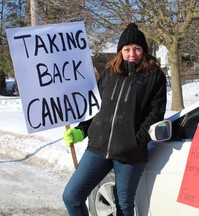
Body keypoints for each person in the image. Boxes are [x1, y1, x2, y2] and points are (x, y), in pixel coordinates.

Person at [62, 23, 167, 216]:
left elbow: (156, 114)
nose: (132, 53)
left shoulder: (155, 76)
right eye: (127, 49)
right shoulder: (109, 74)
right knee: (71, 197)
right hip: (98, 149)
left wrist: (136, 141)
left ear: (144, 50)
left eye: (137, 48)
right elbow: (94, 108)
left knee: (123, 207)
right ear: (120, 51)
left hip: (130, 154)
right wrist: (82, 130)